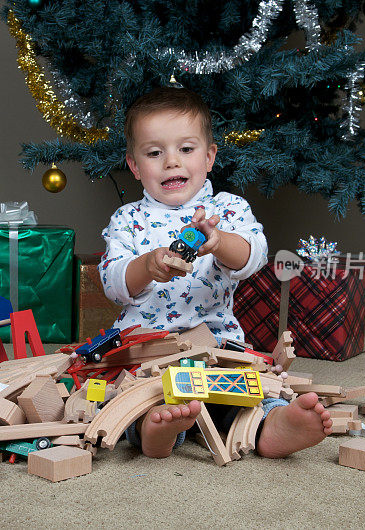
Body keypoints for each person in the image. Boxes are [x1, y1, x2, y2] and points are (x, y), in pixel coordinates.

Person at [100, 87, 332, 458]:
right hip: (145, 351)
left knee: (245, 393)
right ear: (134, 166)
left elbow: (253, 256)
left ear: (209, 157)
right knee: (127, 397)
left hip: (216, 348)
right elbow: (113, 284)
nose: (172, 162)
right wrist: (146, 266)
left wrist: (219, 243)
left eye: (186, 149)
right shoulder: (128, 219)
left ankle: (271, 426)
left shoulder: (226, 208)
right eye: (155, 153)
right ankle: (155, 429)